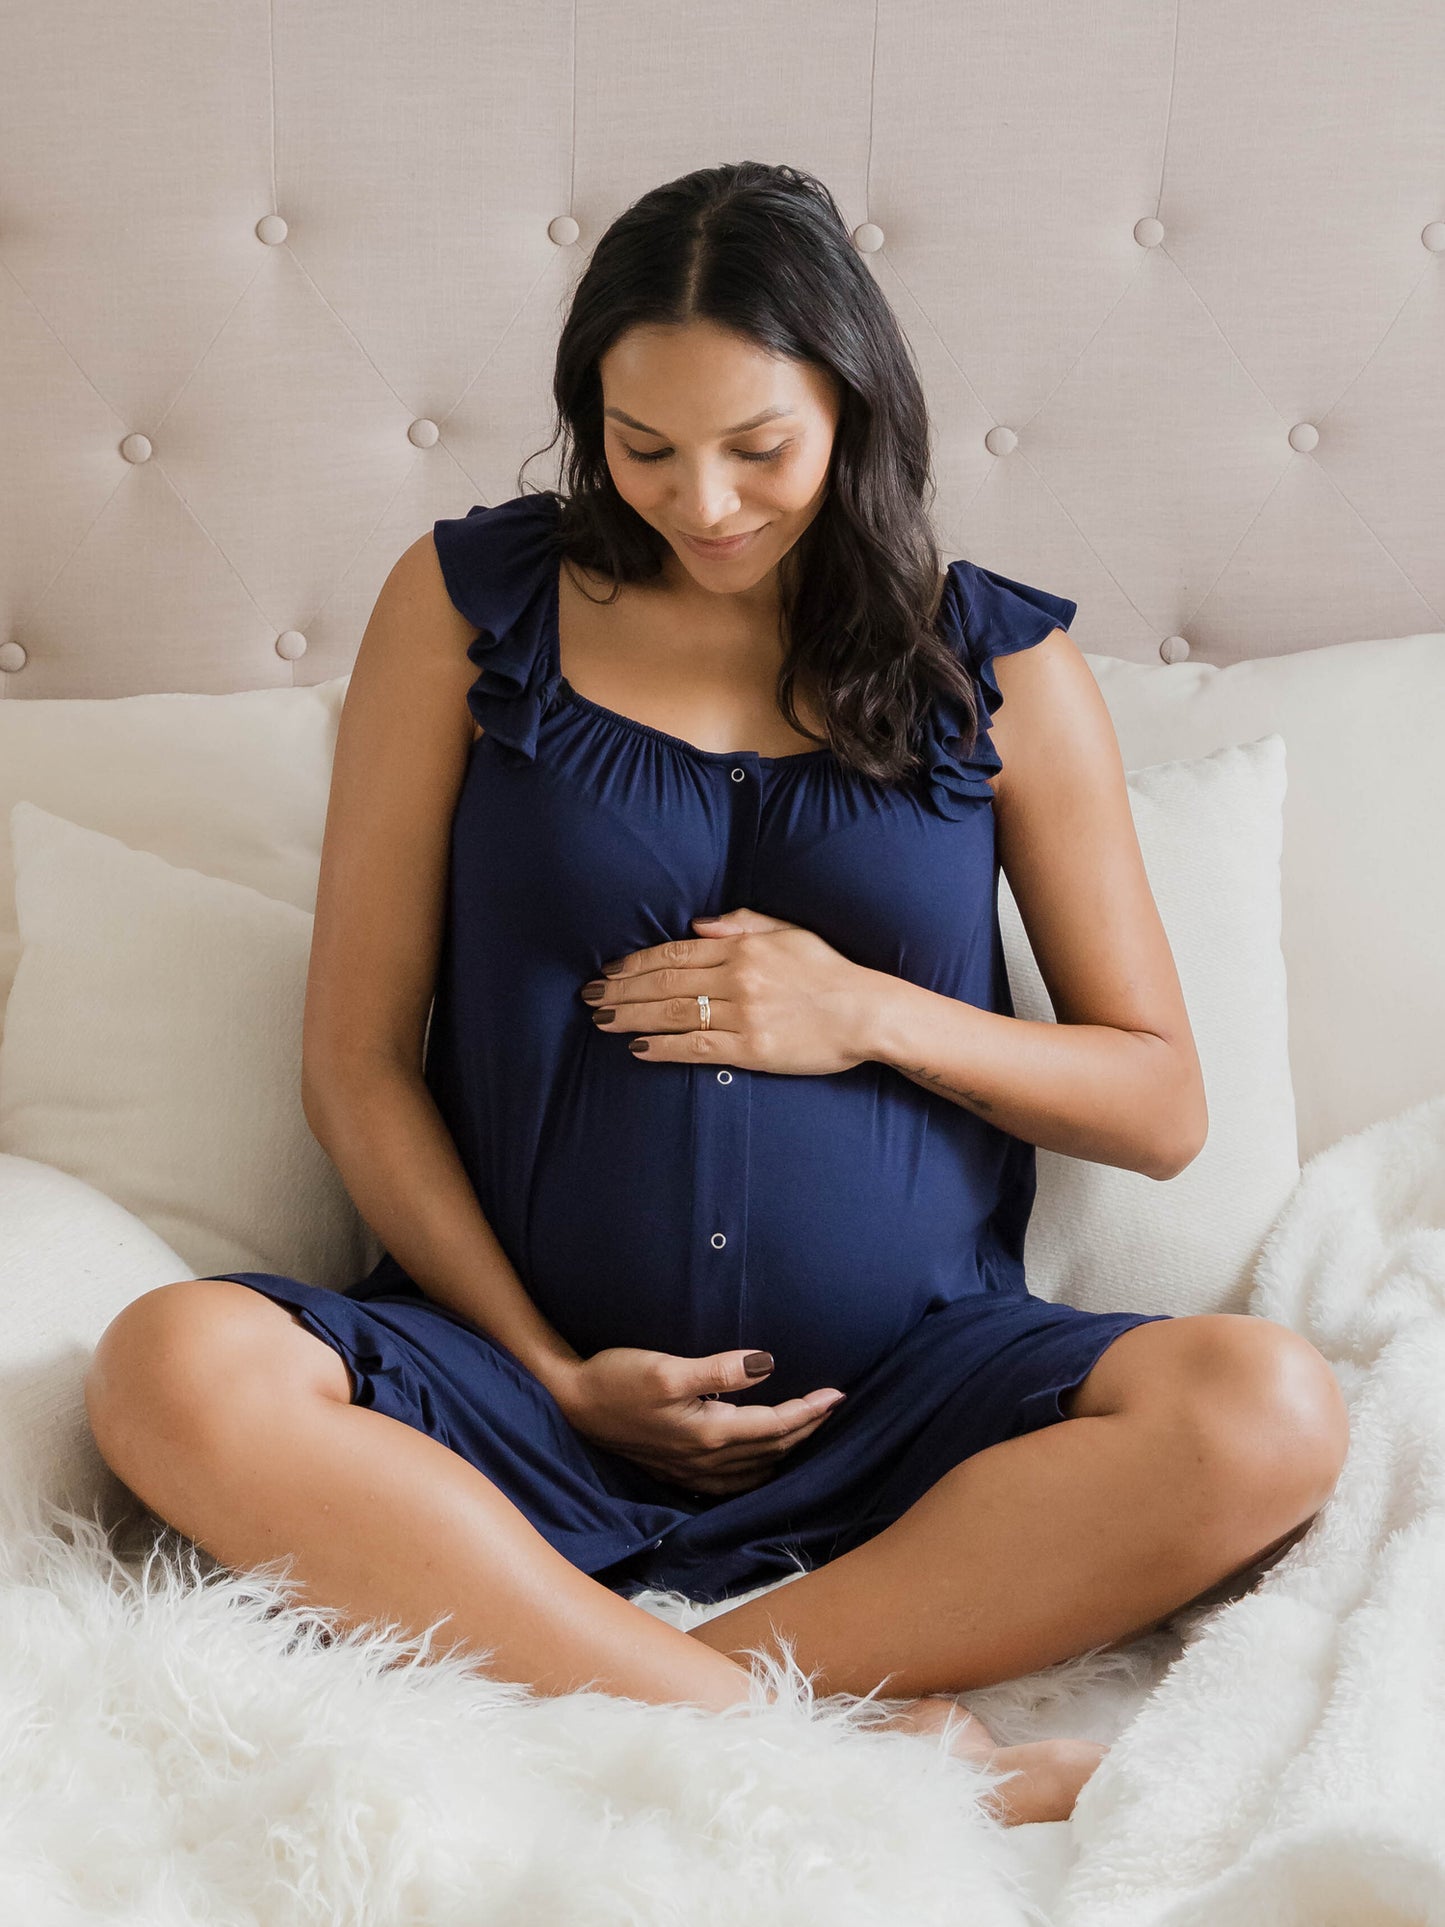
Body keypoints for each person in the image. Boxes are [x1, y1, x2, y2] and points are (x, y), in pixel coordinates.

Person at [83, 161, 1349, 1828]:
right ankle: (816, 1735)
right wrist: (541, 1367)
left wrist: (869, 1012)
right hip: (505, 1393)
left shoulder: (999, 668)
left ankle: (611, 1688)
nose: (705, 503)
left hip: (900, 1416)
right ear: (584, 418)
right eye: (644, 448)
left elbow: (1158, 1104)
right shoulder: (470, 611)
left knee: (1269, 1410)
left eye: (758, 448)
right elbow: (358, 1057)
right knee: (167, 1364)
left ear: (852, 400)